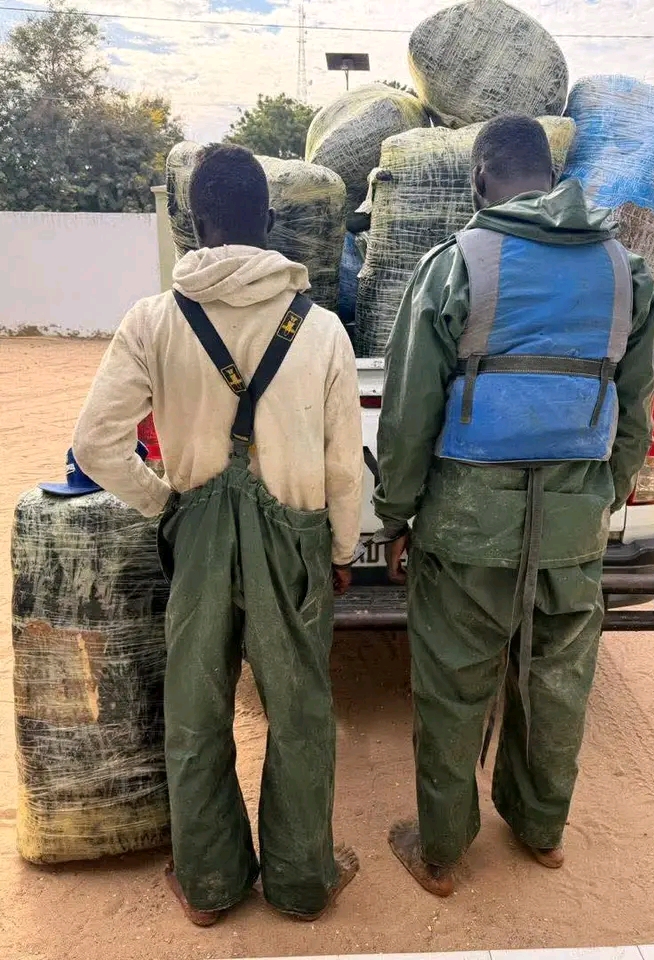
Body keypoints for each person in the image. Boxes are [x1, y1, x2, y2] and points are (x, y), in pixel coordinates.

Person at [73, 144, 363, 925]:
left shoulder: (155, 320)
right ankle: (302, 884)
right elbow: (344, 467)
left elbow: (96, 444)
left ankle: (209, 886)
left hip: (195, 532)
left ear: (192, 225)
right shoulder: (323, 327)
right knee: (299, 714)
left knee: (197, 714)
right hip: (294, 540)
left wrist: (162, 503)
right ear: (268, 221)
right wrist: (340, 551)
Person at [373, 115, 654, 896]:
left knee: (453, 686)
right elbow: (631, 416)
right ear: (552, 174)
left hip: (467, 527)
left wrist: (396, 516)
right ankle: (542, 832)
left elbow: (408, 412)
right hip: (573, 523)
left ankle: (441, 853)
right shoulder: (624, 270)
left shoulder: (455, 264)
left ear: (480, 179)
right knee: (557, 684)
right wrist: (597, 500)